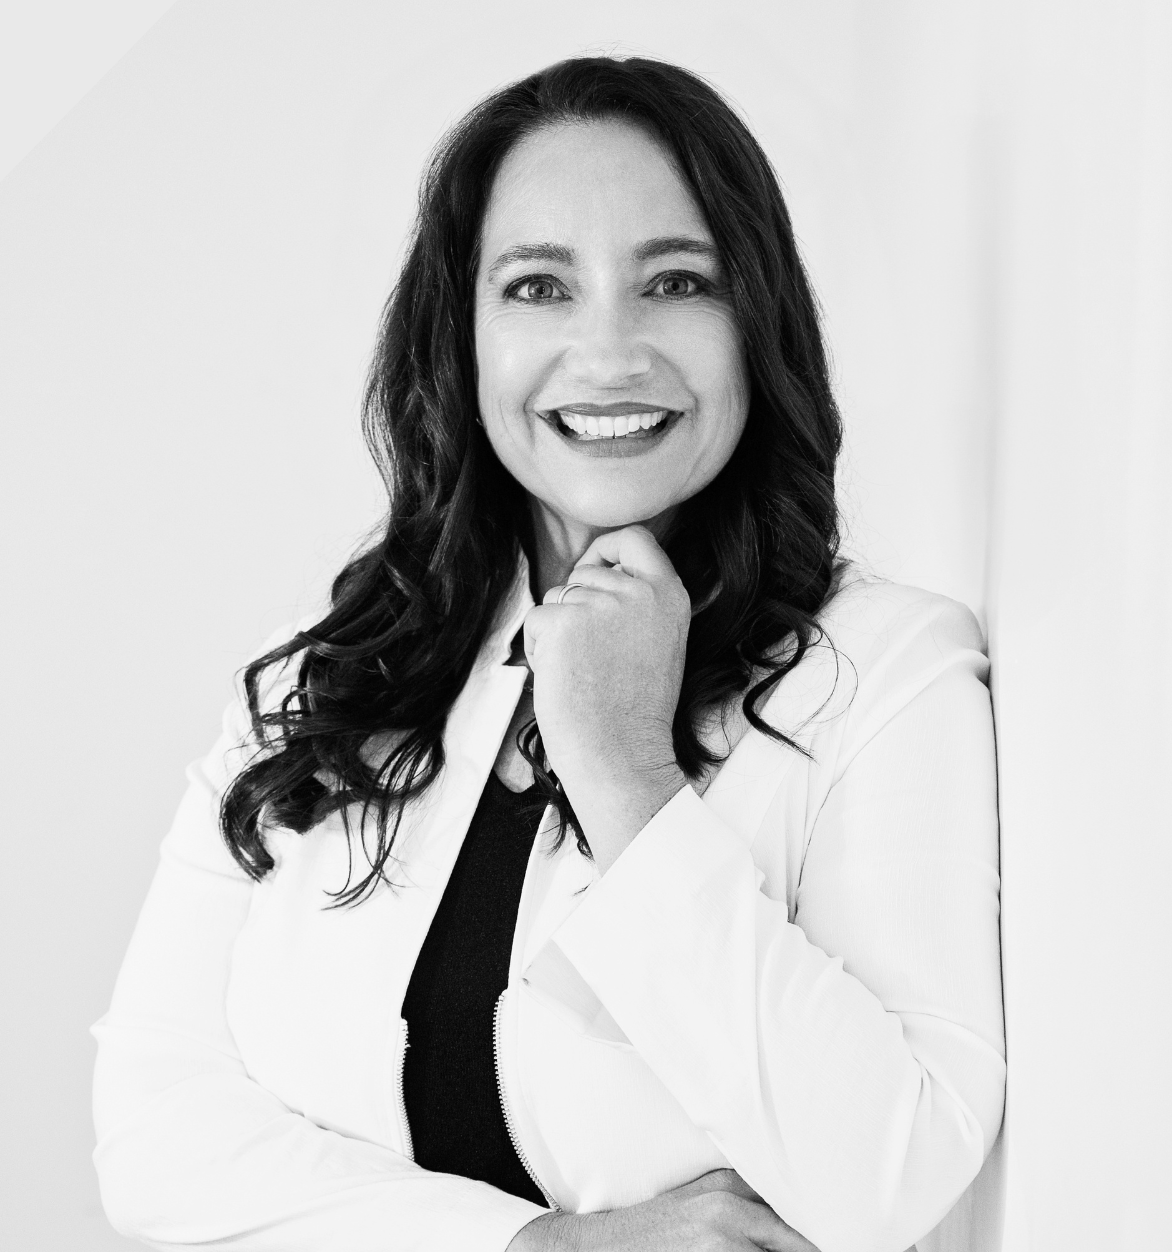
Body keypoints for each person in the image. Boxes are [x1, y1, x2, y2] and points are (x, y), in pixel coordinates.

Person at [91, 56, 1004, 1252]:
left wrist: (629, 778)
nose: (609, 351)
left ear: (754, 322)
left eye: (675, 281)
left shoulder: (884, 670)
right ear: (461, 340)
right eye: (537, 286)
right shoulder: (322, 679)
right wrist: (539, 1249)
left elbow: (892, 1170)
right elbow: (152, 1138)